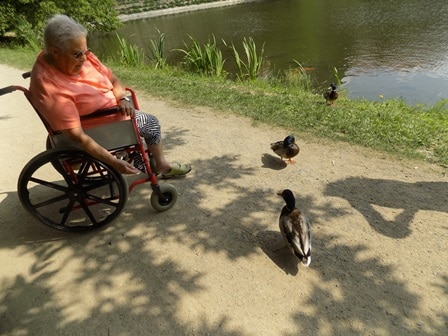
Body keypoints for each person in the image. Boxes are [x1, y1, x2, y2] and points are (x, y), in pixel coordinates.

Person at [29, 14, 191, 178]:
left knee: (137, 119)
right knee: (151, 123)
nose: (85, 59)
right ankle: (161, 164)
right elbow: (77, 137)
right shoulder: (50, 87)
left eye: (86, 51)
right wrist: (113, 163)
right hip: (102, 128)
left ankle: (139, 157)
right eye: (78, 54)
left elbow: (113, 79)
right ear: (55, 52)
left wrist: (121, 97)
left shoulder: (75, 58)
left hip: (114, 117)